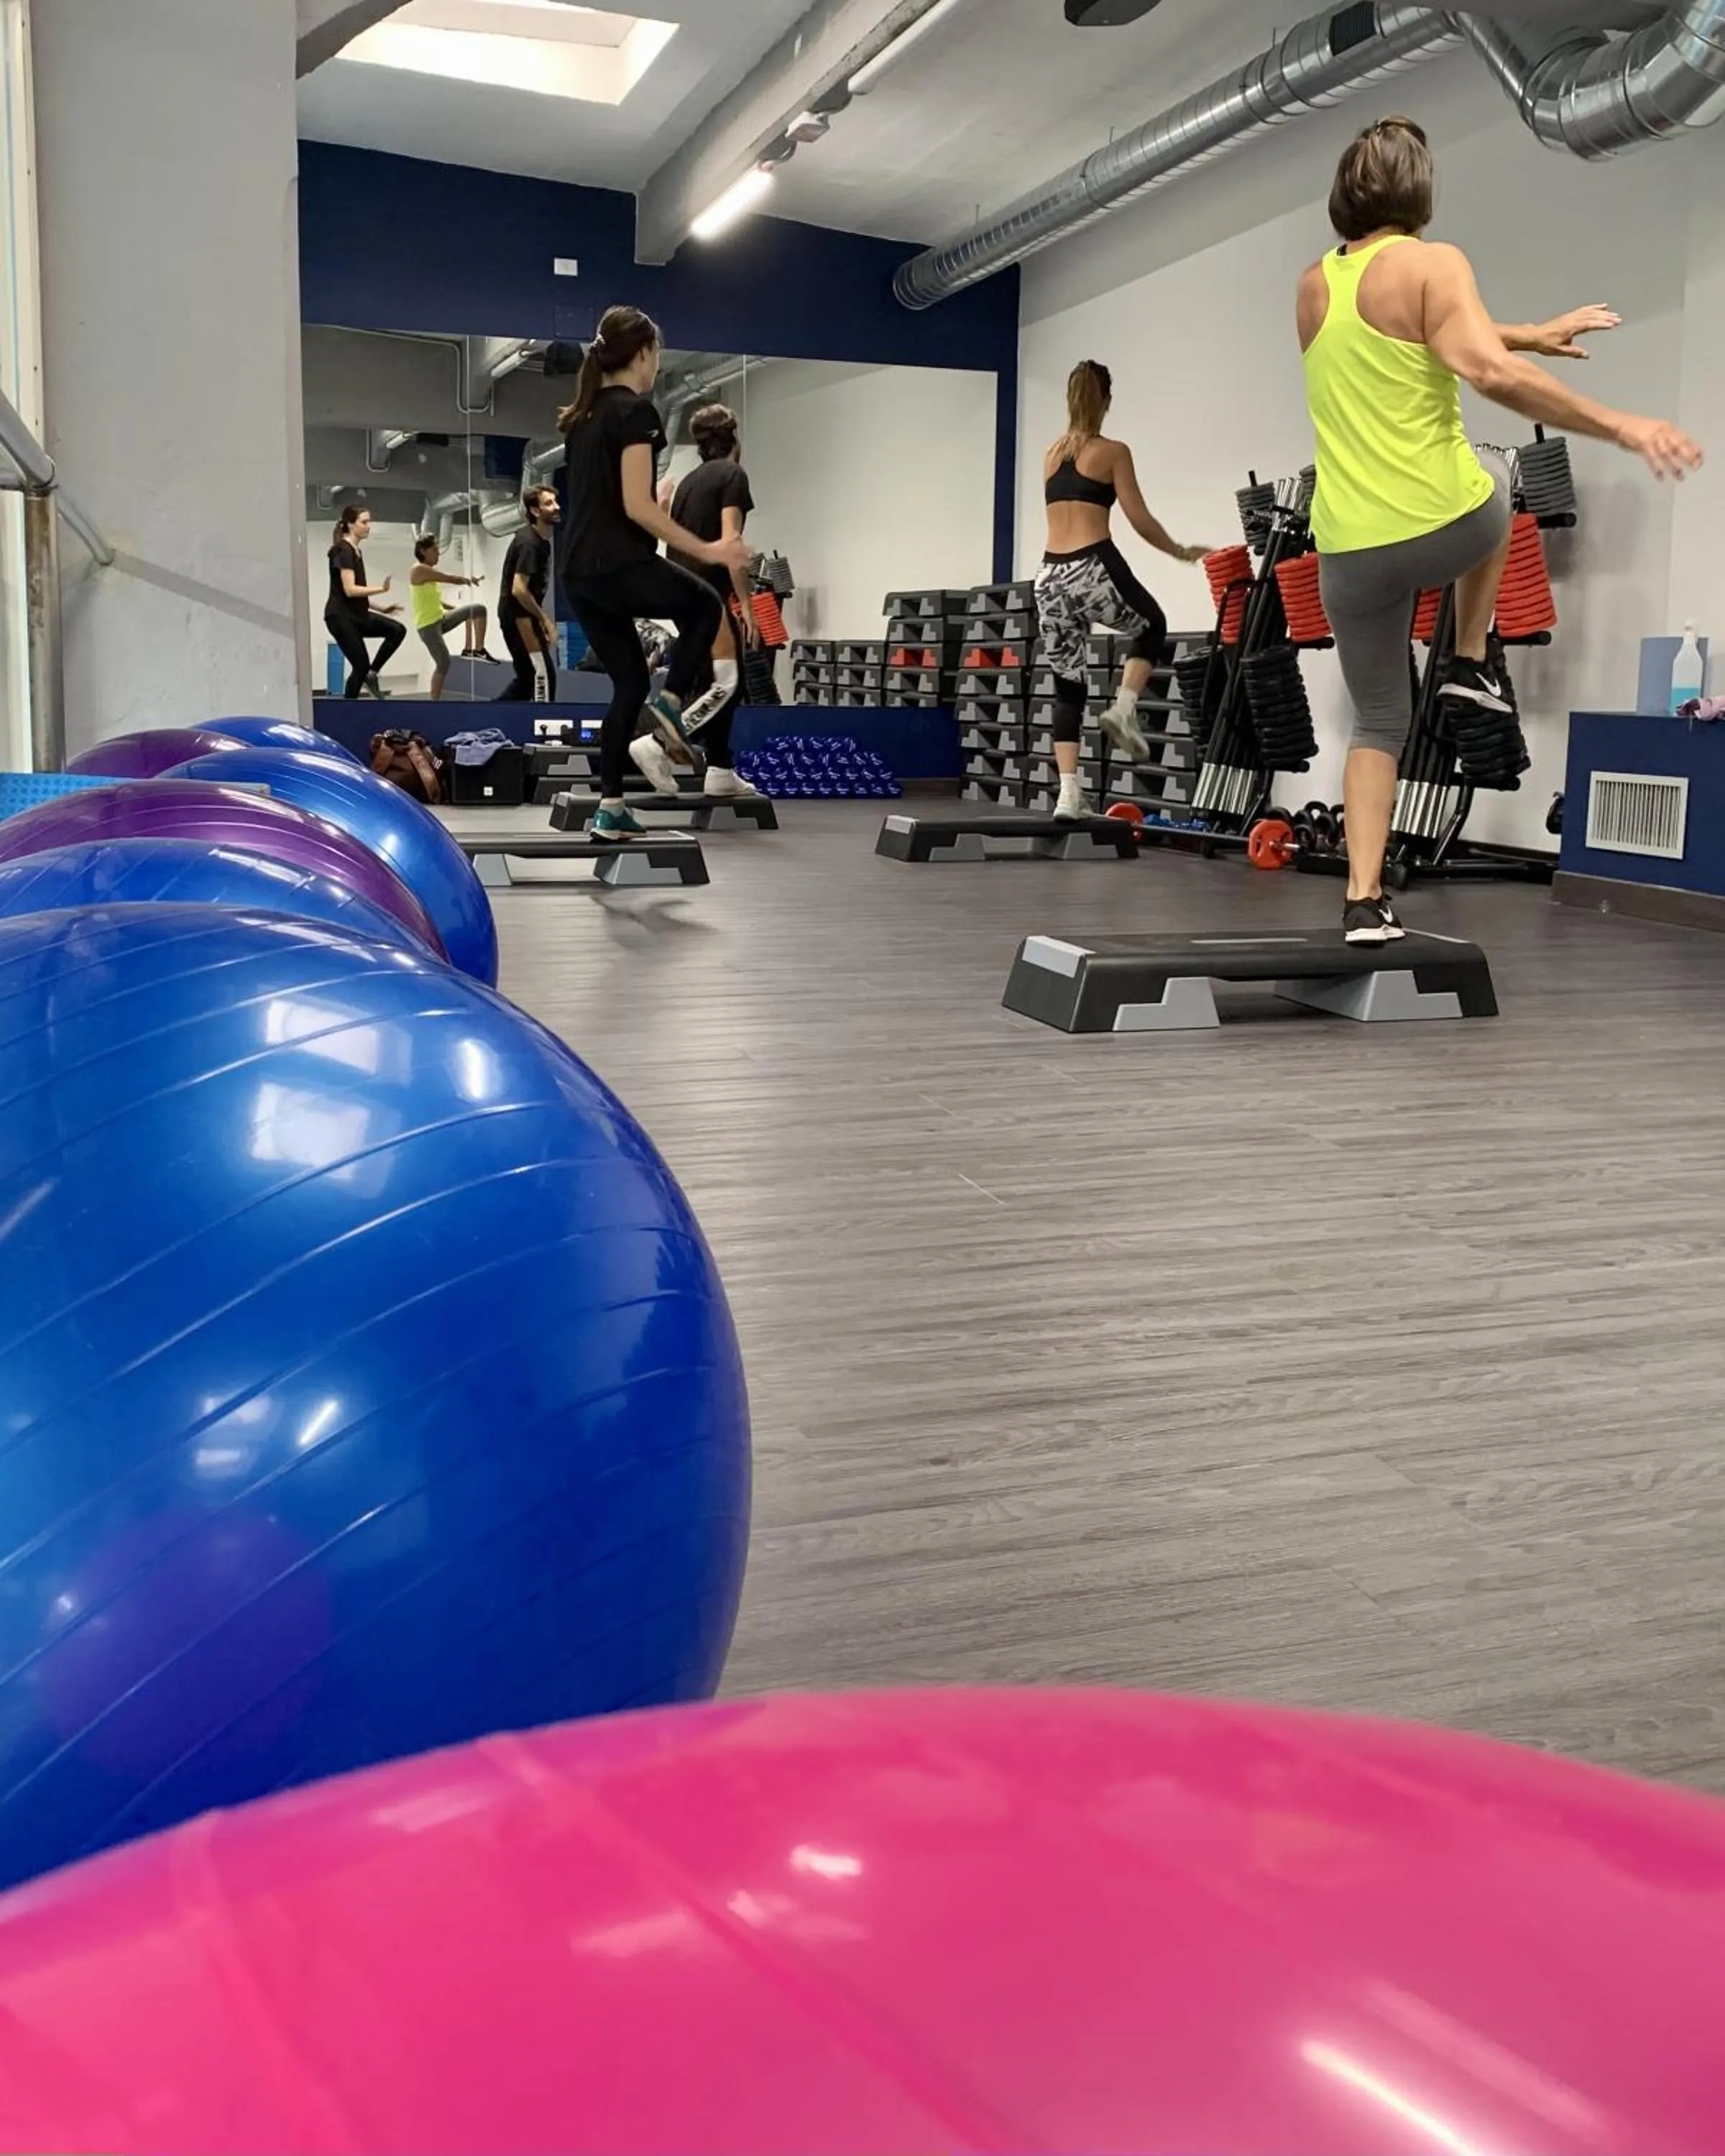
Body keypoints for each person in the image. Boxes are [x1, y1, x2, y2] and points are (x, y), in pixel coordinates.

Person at [1301, 114, 1703, 946]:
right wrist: (1622, 427)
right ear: (1421, 192)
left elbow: (1411, 338)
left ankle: (1363, 899)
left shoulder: (1313, 286)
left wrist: (1530, 332)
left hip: (1344, 548)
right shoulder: (1434, 262)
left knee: (1379, 720)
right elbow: (1479, 366)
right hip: (1440, 525)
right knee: (1498, 477)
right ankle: (1473, 659)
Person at [556, 305, 754, 844]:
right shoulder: (634, 412)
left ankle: (611, 807)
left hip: (578, 574)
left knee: (628, 682)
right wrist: (710, 550)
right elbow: (638, 507)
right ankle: (669, 709)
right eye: (656, 355)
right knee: (706, 606)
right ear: (643, 353)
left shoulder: (585, 415)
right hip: (618, 562)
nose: (655, 365)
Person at [1035, 359, 1211, 823]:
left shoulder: (1051, 454)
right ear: (1107, 402)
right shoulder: (1113, 452)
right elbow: (1139, 518)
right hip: (1091, 565)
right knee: (1151, 623)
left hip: (1048, 578)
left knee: (1067, 687)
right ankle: (1125, 708)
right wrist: (1178, 550)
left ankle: (1068, 795)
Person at [639, 400, 763, 801]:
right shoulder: (733, 475)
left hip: (682, 592)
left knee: (717, 682)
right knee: (728, 683)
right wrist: (747, 606)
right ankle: (657, 744)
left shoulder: (690, 481)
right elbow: (732, 544)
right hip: (707, 594)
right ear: (735, 439)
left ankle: (721, 770)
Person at [325, 504, 405, 699]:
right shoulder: (342, 550)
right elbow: (350, 590)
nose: (369, 526)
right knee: (360, 665)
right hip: (340, 617)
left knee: (397, 630)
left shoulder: (355, 551)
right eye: (364, 522)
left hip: (357, 615)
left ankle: (373, 674)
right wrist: (382, 589)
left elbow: (356, 594)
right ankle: (348, 710)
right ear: (351, 525)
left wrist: (383, 609)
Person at [410, 535, 493, 701]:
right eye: (434, 550)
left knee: (478, 610)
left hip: (441, 619)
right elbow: (448, 578)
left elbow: (434, 600)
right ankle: (435, 703)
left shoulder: (428, 576)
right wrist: (469, 580)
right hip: (428, 627)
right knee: (444, 662)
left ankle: (478, 650)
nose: (438, 553)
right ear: (422, 551)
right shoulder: (418, 569)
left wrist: (453, 609)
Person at [497, 485, 561, 703]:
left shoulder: (540, 541)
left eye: (555, 501)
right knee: (541, 676)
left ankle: (492, 716)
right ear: (535, 511)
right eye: (548, 503)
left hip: (523, 616)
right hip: (518, 617)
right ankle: (544, 726)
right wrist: (544, 620)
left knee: (527, 679)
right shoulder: (529, 543)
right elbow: (518, 589)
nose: (556, 507)